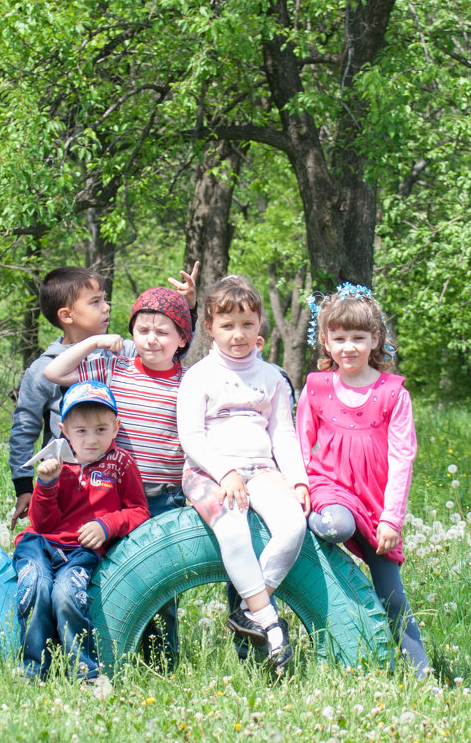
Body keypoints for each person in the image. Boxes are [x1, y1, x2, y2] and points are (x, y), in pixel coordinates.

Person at [43, 286, 194, 667]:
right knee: (103, 573)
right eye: (142, 330)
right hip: (112, 495)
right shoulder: (113, 368)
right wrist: (94, 340)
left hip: (165, 497)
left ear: (182, 339)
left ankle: (161, 661)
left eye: (163, 332)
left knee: (159, 580)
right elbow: (53, 371)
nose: (151, 339)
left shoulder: (190, 382)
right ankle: (104, 653)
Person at [176, 275, 309, 674]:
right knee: (233, 527)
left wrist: (298, 479)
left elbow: (283, 433)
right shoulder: (198, 376)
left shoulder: (272, 377)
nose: (238, 334)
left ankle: (250, 609)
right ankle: (269, 621)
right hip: (207, 471)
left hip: (262, 469)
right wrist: (225, 472)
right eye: (228, 325)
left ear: (260, 326)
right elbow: (191, 437)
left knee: (292, 525)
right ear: (211, 328)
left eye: (247, 324)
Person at [297, 283, 430, 678]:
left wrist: (391, 519)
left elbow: (402, 457)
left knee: (392, 594)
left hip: (374, 504)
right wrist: (299, 490)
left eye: (358, 337)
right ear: (325, 341)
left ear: (376, 339)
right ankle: (307, 527)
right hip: (329, 490)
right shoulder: (317, 387)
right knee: (337, 525)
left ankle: (422, 676)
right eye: (338, 338)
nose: (348, 347)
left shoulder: (392, 394)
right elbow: (301, 443)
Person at [7, 263, 198, 529]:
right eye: (96, 302)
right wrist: (23, 483)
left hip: (118, 477)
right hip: (69, 474)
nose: (107, 306)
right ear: (67, 315)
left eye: (104, 299)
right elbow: (24, 427)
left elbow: (170, 348)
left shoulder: (121, 354)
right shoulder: (42, 367)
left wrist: (187, 308)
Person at [13, 381, 149, 686]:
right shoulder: (56, 463)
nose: (91, 440)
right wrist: (46, 485)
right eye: (81, 431)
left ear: (116, 427)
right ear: (64, 429)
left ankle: (86, 674)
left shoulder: (121, 464)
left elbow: (139, 511)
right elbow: (42, 523)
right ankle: (32, 671)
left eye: (101, 429)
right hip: (40, 545)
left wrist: (107, 525)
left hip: (81, 552)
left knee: (66, 595)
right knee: (34, 586)